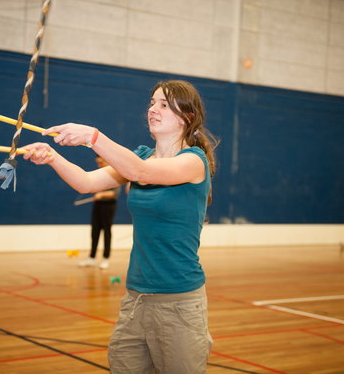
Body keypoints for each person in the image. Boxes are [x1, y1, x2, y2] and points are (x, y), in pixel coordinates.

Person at [22, 80, 218, 373]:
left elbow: (141, 173)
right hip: (136, 298)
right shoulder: (139, 155)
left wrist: (92, 137)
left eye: (164, 104)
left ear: (187, 117)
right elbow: (86, 182)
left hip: (179, 304)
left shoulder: (193, 162)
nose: (153, 109)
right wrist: (52, 157)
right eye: (152, 102)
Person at [79, 156, 120, 269]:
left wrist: (101, 194)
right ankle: (91, 258)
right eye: (97, 163)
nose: (99, 165)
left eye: (101, 162)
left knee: (106, 232)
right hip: (98, 205)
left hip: (108, 206)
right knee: (95, 231)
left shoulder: (114, 172)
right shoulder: (99, 173)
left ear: (106, 160)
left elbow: (115, 194)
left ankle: (106, 258)